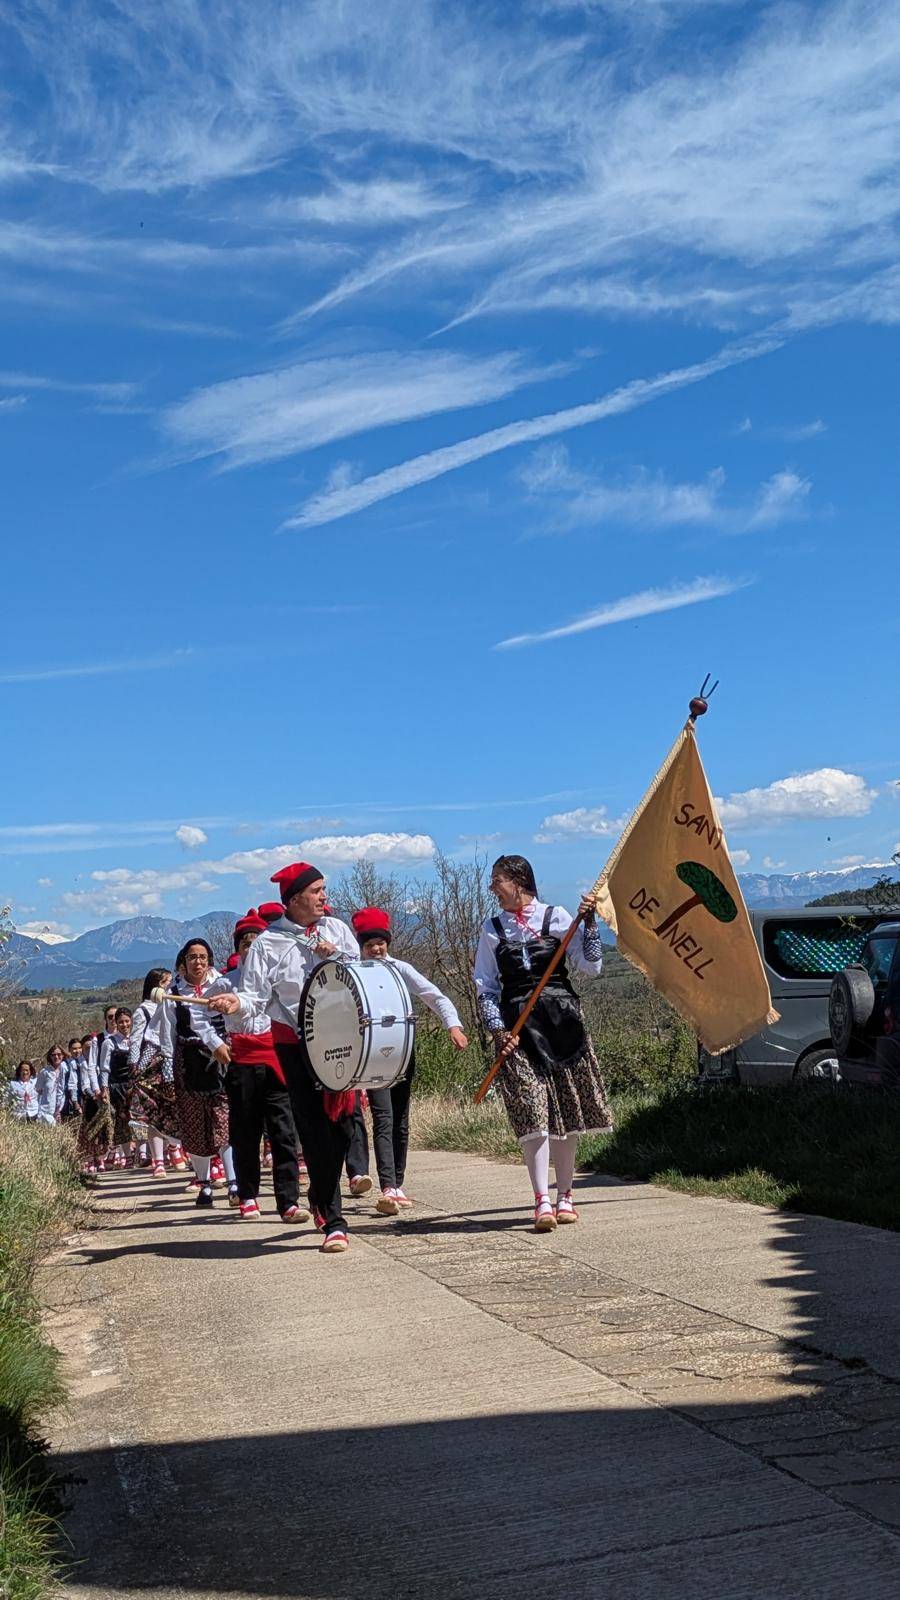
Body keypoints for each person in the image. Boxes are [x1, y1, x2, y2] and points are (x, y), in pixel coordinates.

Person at [211, 862, 359, 1254]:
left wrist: (338, 956)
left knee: (344, 1126)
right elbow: (254, 998)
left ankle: (320, 1195)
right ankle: (333, 1218)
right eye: (317, 891)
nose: (325, 897)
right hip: (293, 1043)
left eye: (324, 889)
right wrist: (234, 1003)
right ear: (295, 900)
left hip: (341, 1040)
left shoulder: (337, 930)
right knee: (311, 1129)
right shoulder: (268, 944)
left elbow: (359, 975)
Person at [474, 854, 612, 1232]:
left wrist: (589, 924)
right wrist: (498, 1030)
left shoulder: (557, 917)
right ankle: (542, 1201)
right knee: (533, 1112)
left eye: (497, 880)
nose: (493, 888)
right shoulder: (491, 929)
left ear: (519, 881)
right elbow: (485, 986)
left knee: (564, 1114)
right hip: (517, 1030)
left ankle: (565, 1195)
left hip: (561, 1024)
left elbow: (591, 966)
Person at [349, 907, 469, 1212]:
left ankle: (397, 1183)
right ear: (360, 946)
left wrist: (452, 1024)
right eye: (369, 944)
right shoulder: (354, 972)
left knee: (401, 1120)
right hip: (371, 1057)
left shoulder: (400, 969)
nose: (376, 949)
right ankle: (388, 1185)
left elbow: (435, 996)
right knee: (383, 1117)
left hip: (403, 1053)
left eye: (380, 942)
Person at [212, 911, 305, 1222]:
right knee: (245, 1132)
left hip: (276, 1058)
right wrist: (216, 1043)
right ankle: (248, 1194)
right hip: (242, 1061)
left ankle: (288, 1201)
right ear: (238, 949)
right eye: (245, 944)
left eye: (256, 943)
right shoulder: (226, 982)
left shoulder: (279, 978)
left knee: (283, 1132)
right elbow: (199, 1017)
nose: (251, 949)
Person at [170, 939, 237, 1208]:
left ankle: (234, 1182)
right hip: (188, 1064)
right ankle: (204, 1183)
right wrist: (165, 1068)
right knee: (196, 1125)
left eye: (202, 957)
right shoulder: (173, 993)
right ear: (184, 961)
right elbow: (167, 1033)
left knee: (224, 1120)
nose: (197, 962)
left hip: (222, 1059)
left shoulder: (223, 985)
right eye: (192, 957)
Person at [129, 969, 184, 1178]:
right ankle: (157, 1159)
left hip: (170, 1059)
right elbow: (136, 1039)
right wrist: (135, 1064)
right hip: (152, 1063)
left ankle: (174, 1147)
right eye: (165, 983)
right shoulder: (144, 1010)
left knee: (172, 1105)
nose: (168, 987)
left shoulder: (172, 1004)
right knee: (153, 1111)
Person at [99, 1008, 135, 1166]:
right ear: (116, 1023)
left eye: (127, 1021)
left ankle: (142, 1153)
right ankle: (127, 1156)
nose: (124, 1024)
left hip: (133, 1085)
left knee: (138, 1119)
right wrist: (104, 1088)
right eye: (121, 1022)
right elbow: (104, 1067)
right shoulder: (109, 1042)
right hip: (117, 1087)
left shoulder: (136, 1039)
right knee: (122, 1122)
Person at [35, 1044, 67, 1124]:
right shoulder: (45, 1072)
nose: (56, 1057)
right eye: (53, 1055)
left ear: (63, 1055)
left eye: (59, 1054)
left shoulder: (67, 1070)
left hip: (64, 1110)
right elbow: (38, 1090)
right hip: (47, 1113)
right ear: (50, 1057)